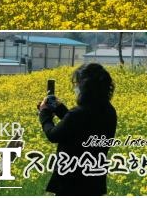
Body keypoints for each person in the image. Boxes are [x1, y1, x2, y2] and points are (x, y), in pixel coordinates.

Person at [37, 63, 117, 196]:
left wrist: (44, 114)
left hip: (71, 181)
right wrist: (60, 108)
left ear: (86, 87)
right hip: (94, 180)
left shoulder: (78, 114)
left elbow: (53, 135)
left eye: (77, 84)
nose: (76, 87)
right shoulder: (109, 110)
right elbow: (80, 127)